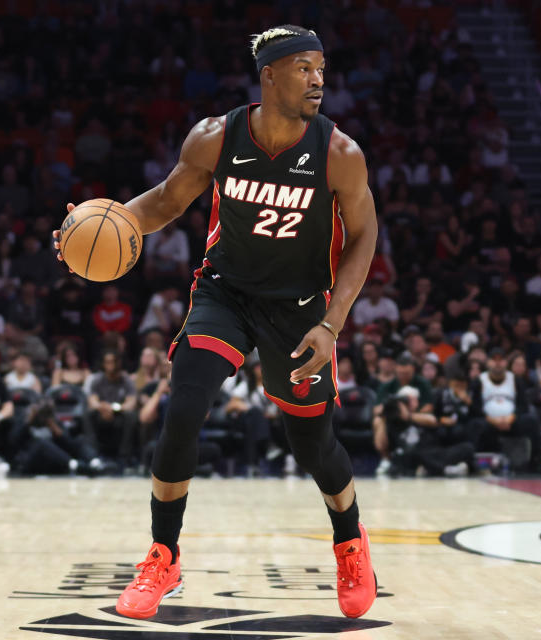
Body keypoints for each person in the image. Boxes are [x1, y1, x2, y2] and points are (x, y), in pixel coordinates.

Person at [54, 25, 377, 620]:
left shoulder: (339, 154)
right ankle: (163, 555)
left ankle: (350, 542)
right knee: (184, 407)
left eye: (322, 69)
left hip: (302, 307)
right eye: (305, 68)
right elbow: (167, 202)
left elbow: (364, 237)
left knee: (312, 444)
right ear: (270, 75)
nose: (318, 80)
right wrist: (101, 223)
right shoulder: (215, 137)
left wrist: (331, 323)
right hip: (225, 292)